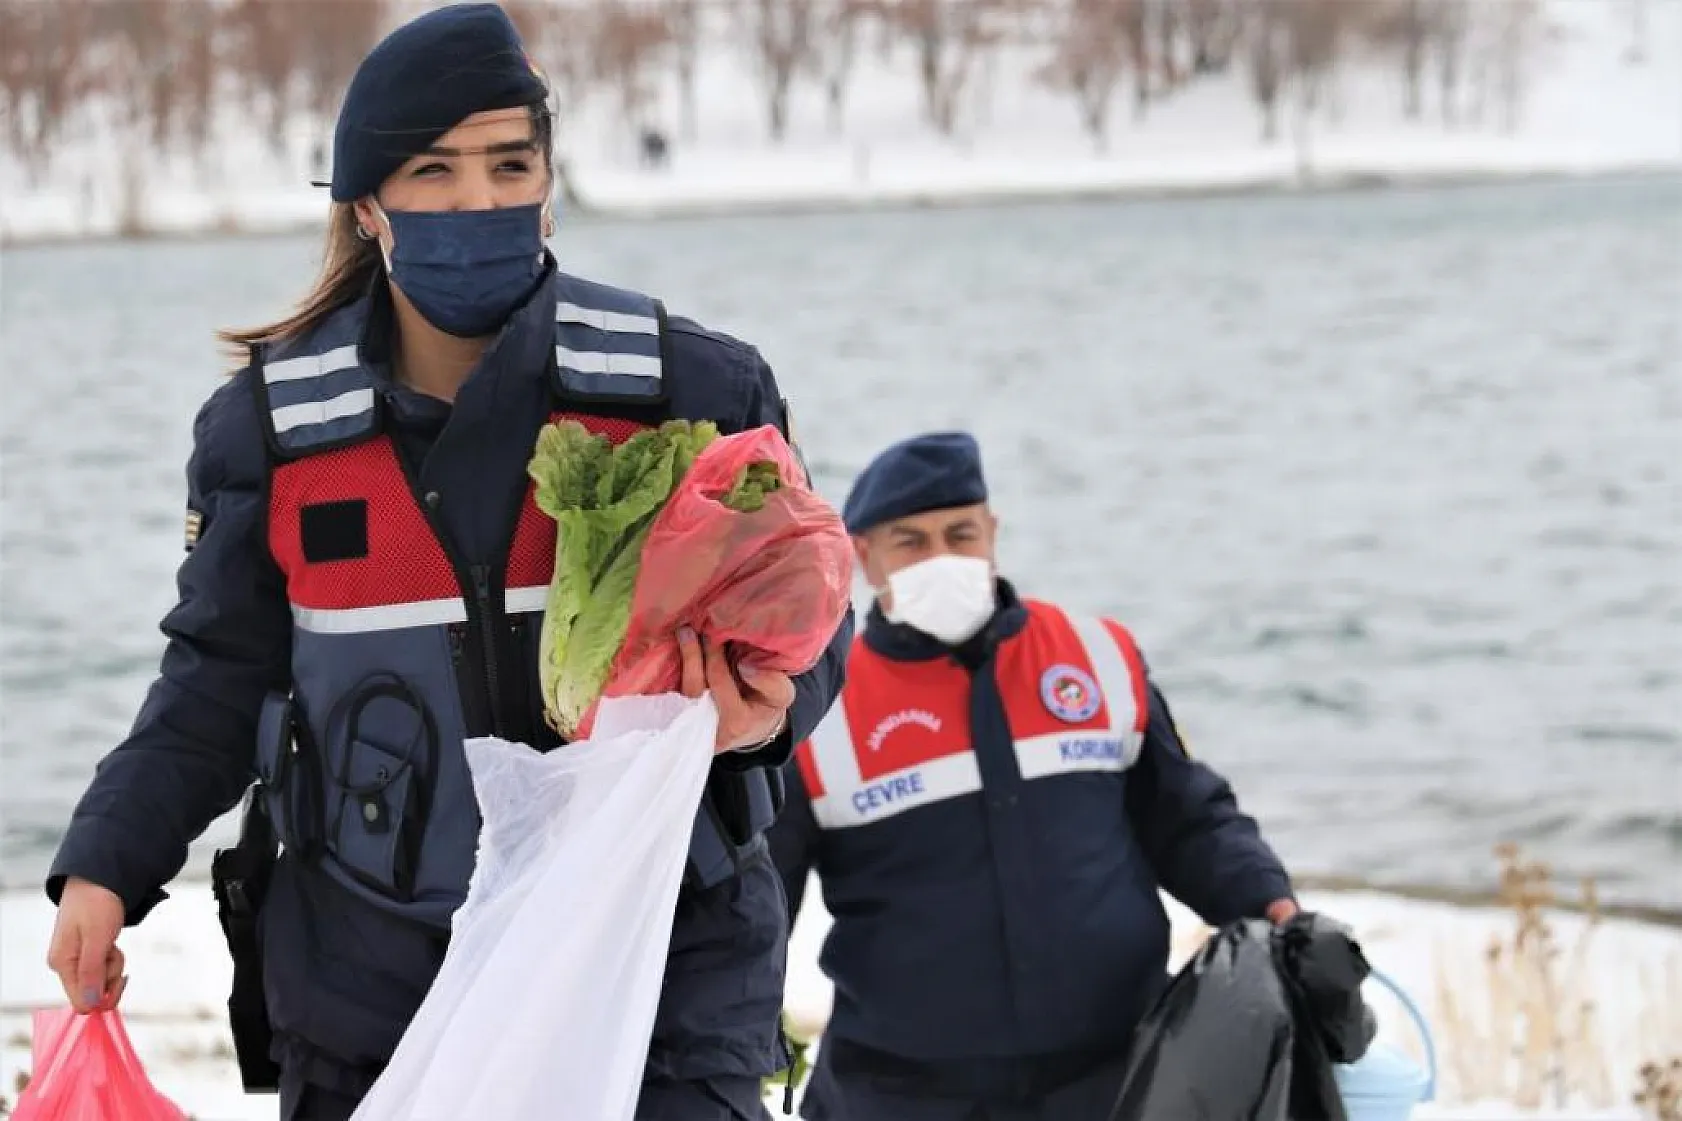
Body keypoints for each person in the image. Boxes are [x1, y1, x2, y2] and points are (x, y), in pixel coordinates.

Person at [42, 6, 851, 1120]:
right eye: (435, 170)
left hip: (658, 964)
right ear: (367, 205)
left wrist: (768, 713)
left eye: (510, 164)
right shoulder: (269, 434)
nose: (479, 201)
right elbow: (215, 681)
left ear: (548, 185)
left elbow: (810, 618)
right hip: (371, 985)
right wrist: (105, 863)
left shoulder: (691, 390)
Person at [768, 431, 1298, 1121]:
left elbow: (1187, 820)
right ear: (863, 557)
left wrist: (1271, 904)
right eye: (912, 542)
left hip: (1115, 1077)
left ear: (992, 533)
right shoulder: (820, 708)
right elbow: (762, 901)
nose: (942, 558)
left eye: (961, 534)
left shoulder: (1097, 658)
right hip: (899, 1091)